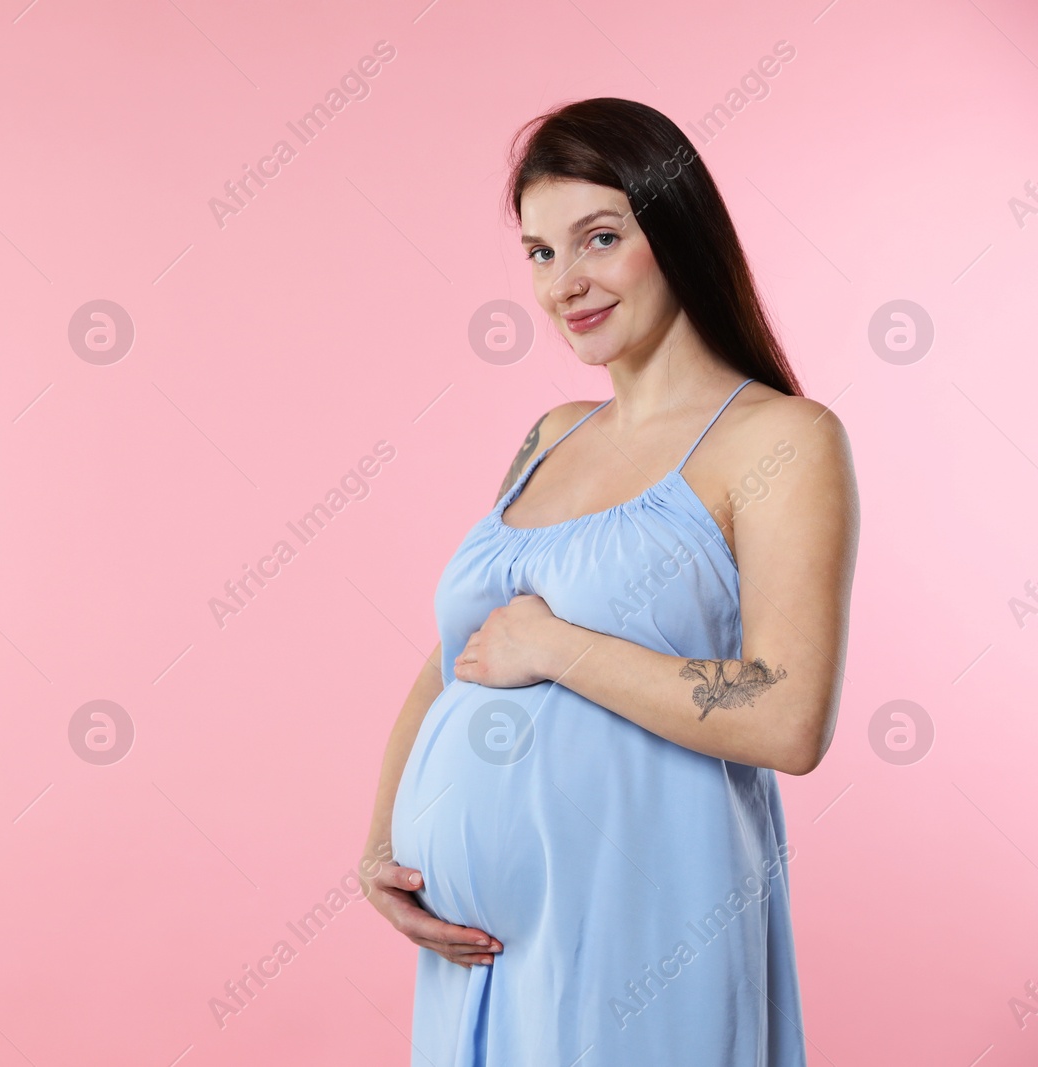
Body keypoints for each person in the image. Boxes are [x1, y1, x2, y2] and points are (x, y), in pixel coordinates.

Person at [358, 97, 858, 1066]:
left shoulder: (781, 440)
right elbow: (459, 653)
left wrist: (559, 646)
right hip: (480, 962)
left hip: (651, 930)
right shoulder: (552, 434)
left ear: (673, 229)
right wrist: (382, 845)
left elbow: (787, 716)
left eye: (598, 237)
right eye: (540, 252)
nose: (565, 283)